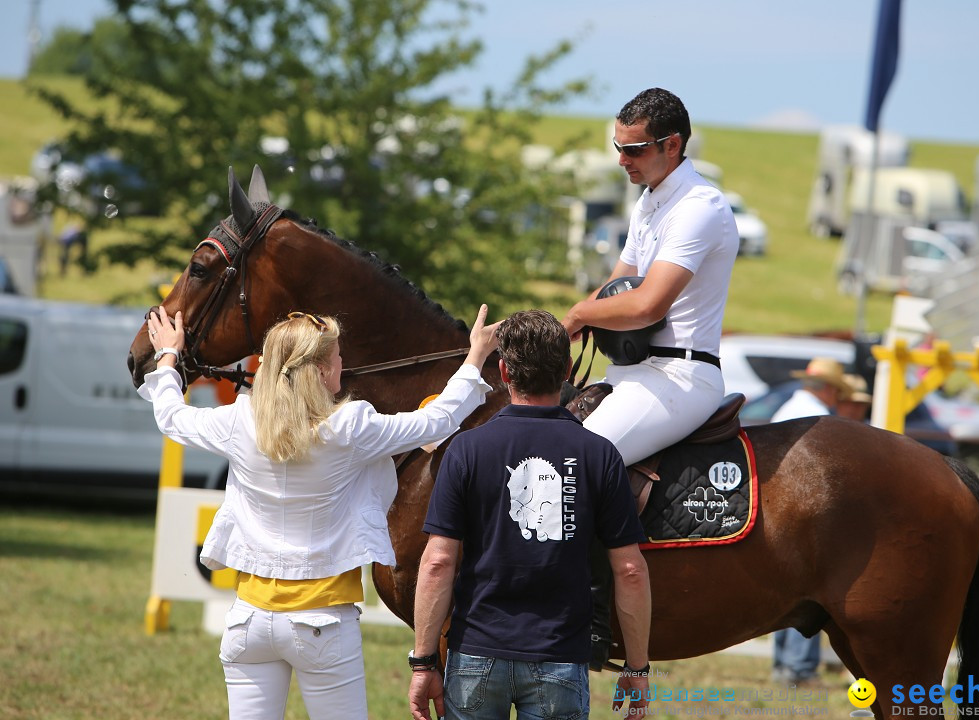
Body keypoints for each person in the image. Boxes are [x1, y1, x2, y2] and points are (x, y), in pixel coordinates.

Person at [138, 304, 500, 720]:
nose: (343, 363)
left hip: (247, 621)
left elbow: (170, 417)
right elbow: (437, 419)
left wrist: (169, 353)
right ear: (325, 372)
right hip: (323, 622)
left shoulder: (240, 421)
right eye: (338, 357)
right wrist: (474, 356)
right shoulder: (349, 427)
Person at [408, 310, 652, 720]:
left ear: (503, 370)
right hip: (560, 655)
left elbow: (437, 563)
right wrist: (638, 666)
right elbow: (630, 570)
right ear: (568, 369)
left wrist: (423, 662)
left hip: (475, 654)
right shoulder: (600, 455)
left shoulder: (466, 450)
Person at [561, 87, 740, 466]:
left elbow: (647, 306)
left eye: (634, 149)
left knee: (572, 463)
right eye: (618, 147)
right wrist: (545, 332)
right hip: (633, 371)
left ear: (671, 145)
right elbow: (615, 289)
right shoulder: (647, 202)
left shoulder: (698, 207)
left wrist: (578, 315)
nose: (622, 160)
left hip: (680, 377)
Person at [770, 356, 850, 684]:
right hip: (800, 510)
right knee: (812, 587)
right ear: (829, 389)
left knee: (782, 589)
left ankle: (784, 665)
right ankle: (799, 667)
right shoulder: (817, 418)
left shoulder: (789, 408)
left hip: (776, 507)